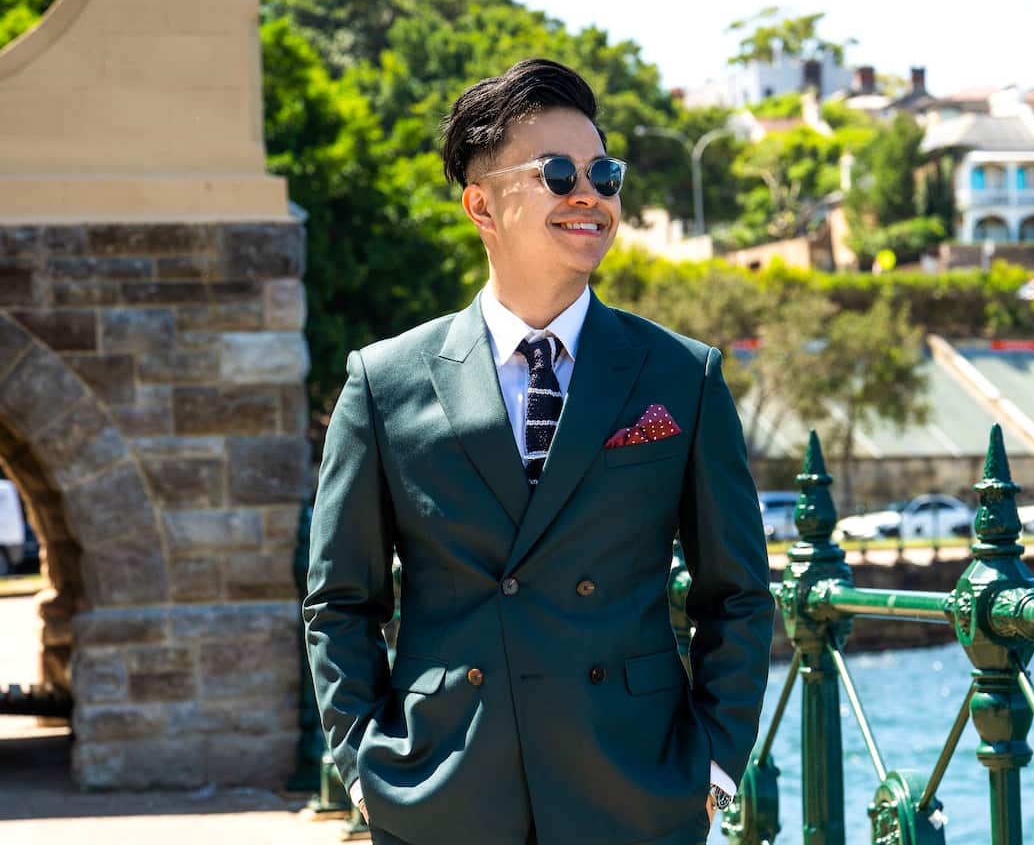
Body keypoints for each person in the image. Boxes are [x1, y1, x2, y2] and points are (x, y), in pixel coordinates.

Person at [304, 58, 774, 845]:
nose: (589, 193)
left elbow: (737, 594)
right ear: (481, 204)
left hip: (634, 791)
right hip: (443, 793)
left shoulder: (681, 375)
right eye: (558, 173)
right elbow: (341, 603)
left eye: (604, 174)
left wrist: (717, 767)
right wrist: (363, 770)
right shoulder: (384, 382)